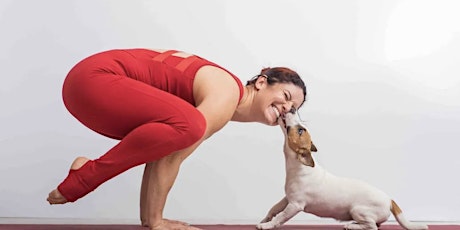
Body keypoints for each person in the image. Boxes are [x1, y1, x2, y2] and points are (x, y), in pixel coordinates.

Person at [46, 48, 307, 230]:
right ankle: (86, 175)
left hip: (83, 89)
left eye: (294, 108)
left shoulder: (220, 98)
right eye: (286, 97)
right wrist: (159, 222)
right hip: (94, 80)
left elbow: (163, 152)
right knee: (190, 127)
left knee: (177, 131)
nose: (287, 109)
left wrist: (150, 221)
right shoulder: (227, 92)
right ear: (262, 82)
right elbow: (173, 157)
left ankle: (104, 185)